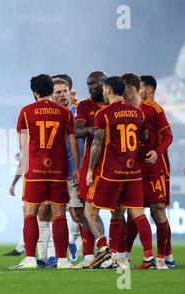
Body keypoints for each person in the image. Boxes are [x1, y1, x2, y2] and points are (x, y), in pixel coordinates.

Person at [84, 76, 156, 269]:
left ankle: (104, 250)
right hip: (133, 172)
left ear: (108, 90)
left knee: (89, 211)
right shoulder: (138, 113)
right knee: (134, 213)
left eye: (105, 90)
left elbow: (97, 144)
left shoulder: (104, 114)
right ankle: (147, 258)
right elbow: (144, 136)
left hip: (111, 173)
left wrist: (90, 170)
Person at [11, 74, 79, 270]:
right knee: (59, 215)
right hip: (58, 171)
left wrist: (23, 167)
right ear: (51, 90)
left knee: (30, 214)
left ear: (35, 92)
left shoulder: (26, 112)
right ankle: (63, 260)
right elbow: (73, 141)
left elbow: (23, 146)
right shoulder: (65, 113)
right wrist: (76, 168)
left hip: (36, 171)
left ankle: (30, 259)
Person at [121, 73, 173, 269]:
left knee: (158, 212)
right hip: (133, 170)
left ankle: (162, 259)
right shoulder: (125, 109)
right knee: (133, 214)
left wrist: (156, 151)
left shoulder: (153, 109)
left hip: (153, 170)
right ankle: (125, 256)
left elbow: (168, 136)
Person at [72, 71, 108, 268]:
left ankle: (116, 254)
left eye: (94, 83)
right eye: (88, 84)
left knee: (118, 212)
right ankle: (89, 255)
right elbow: (77, 131)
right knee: (87, 211)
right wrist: (95, 131)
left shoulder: (114, 105)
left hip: (113, 165)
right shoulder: (86, 105)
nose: (90, 87)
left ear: (105, 84)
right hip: (91, 165)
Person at [52, 78, 85, 262]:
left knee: (77, 213)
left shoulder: (79, 113)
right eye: (58, 92)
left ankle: (87, 251)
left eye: (65, 91)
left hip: (74, 171)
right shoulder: (49, 114)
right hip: (54, 172)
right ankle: (50, 256)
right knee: (49, 213)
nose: (63, 95)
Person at [6, 152, 57, 268]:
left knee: (49, 213)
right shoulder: (28, 142)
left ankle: (52, 256)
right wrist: (13, 183)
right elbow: (23, 161)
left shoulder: (29, 136)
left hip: (49, 175)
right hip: (33, 178)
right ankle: (42, 258)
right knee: (33, 215)